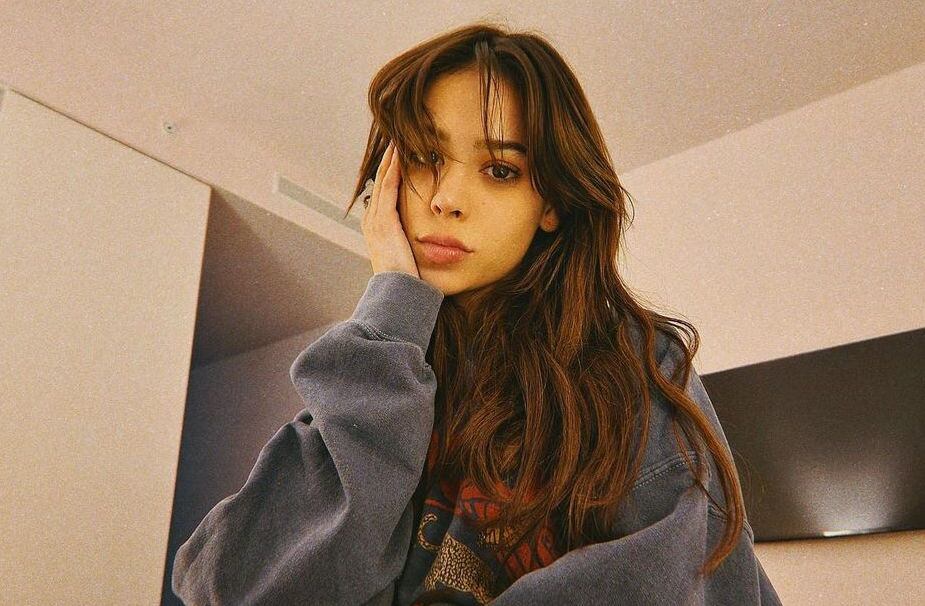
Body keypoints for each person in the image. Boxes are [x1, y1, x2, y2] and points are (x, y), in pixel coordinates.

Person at [171, 21, 782, 605]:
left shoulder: (633, 363)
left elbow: (675, 583)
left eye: (500, 170)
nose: (445, 199)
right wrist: (390, 311)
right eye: (423, 156)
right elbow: (238, 588)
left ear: (552, 203)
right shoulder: (381, 367)